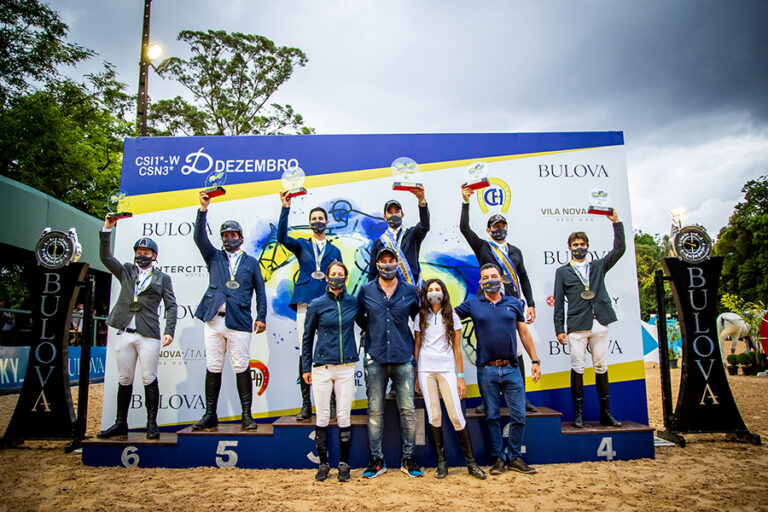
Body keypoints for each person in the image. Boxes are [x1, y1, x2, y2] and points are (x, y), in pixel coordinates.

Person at [454, 263, 541, 475]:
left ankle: (514, 457)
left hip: (512, 368)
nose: (490, 280)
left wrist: (535, 361)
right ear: (481, 282)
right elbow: (448, 316)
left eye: (494, 276)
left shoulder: (513, 303)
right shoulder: (472, 304)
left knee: (519, 415)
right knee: (491, 416)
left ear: (501, 280)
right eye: (485, 277)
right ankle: (499, 458)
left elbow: (525, 334)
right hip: (487, 370)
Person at [192, 191, 267, 431]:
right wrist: (203, 209)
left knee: (241, 366)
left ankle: (246, 415)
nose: (229, 239)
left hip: (240, 321)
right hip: (214, 320)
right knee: (213, 366)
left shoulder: (251, 262)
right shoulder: (214, 257)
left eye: (233, 235)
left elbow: (260, 292)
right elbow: (199, 238)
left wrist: (262, 316)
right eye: (225, 235)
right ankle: (210, 414)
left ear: (241, 238)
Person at [460, 186, 538, 412]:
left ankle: (522, 399)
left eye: (502, 226)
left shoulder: (515, 251)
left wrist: (530, 303)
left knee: (519, 351)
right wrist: (466, 202)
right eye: (495, 226)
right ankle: (488, 401)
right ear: (488, 230)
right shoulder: (483, 246)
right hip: (485, 305)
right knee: (486, 350)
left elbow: (523, 277)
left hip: (511, 304)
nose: (499, 229)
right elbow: (464, 228)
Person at [98, 216, 177, 439]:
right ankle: (120, 423)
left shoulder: (163, 278)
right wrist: (107, 228)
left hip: (149, 333)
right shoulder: (125, 271)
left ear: (154, 256)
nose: (142, 255)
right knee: (124, 379)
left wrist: (169, 330)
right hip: (124, 332)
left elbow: (171, 305)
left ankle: (152, 424)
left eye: (146, 252)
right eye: (139, 251)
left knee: (149, 377)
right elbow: (105, 257)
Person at [554, 210, 625, 428]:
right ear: (569, 248)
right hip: (577, 325)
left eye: (582, 244)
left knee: (601, 366)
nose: (579, 248)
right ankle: (578, 414)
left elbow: (619, 249)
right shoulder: (562, 272)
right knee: (577, 366)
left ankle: (606, 413)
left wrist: (617, 223)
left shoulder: (598, 266)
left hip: (599, 322)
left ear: (588, 246)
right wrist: (559, 329)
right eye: (575, 245)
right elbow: (558, 302)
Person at [357, 247, 423, 478]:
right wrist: (373, 332)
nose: (387, 264)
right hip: (375, 358)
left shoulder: (410, 291)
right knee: (375, 410)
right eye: (382, 261)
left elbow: (417, 318)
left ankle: (408, 459)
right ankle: (377, 460)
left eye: (391, 260)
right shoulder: (366, 290)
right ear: (377, 265)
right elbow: (359, 316)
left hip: (403, 357)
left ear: (397, 263)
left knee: (407, 410)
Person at [277, 191, 342, 421]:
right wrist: (285, 208)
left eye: (320, 218)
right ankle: (306, 404)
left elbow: (339, 277)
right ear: (310, 223)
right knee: (306, 352)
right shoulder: (302, 245)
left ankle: (332, 404)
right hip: (305, 305)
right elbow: (282, 238)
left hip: (327, 306)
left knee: (330, 352)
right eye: (313, 218)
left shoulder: (334, 251)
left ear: (327, 222)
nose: (317, 221)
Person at [413, 278, 486, 480]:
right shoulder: (420, 316)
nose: (434, 292)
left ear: (443, 293)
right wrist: (416, 375)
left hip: (447, 370)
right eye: (430, 289)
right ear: (425, 293)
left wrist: (460, 377)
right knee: (434, 416)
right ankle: (441, 464)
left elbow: (457, 348)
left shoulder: (452, 315)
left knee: (456, 416)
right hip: (426, 370)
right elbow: (417, 345)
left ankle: (471, 464)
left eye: (437, 289)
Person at [301, 261, 359, 482]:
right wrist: (306, 367)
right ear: (326, 278)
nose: (336, 277)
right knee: (323, 415)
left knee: (344, 415)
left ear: (346, 278)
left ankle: (344, 464)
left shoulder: (354, 302)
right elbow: (306, 338)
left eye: (340, 274)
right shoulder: (316, 304)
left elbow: (366, 322)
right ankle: (323, 464)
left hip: (346, 368)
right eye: (333, 274)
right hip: (322, 368)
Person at [367, 187, 430, 286]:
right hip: (389, 289)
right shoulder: (378, 242)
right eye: (390, 212)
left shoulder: (413, 233)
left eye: (397, 211)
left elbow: (425, 225)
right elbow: (373, 272)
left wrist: (421, 201)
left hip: (412, 288)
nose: (394, 214)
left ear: (402, 215)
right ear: (385, 217)